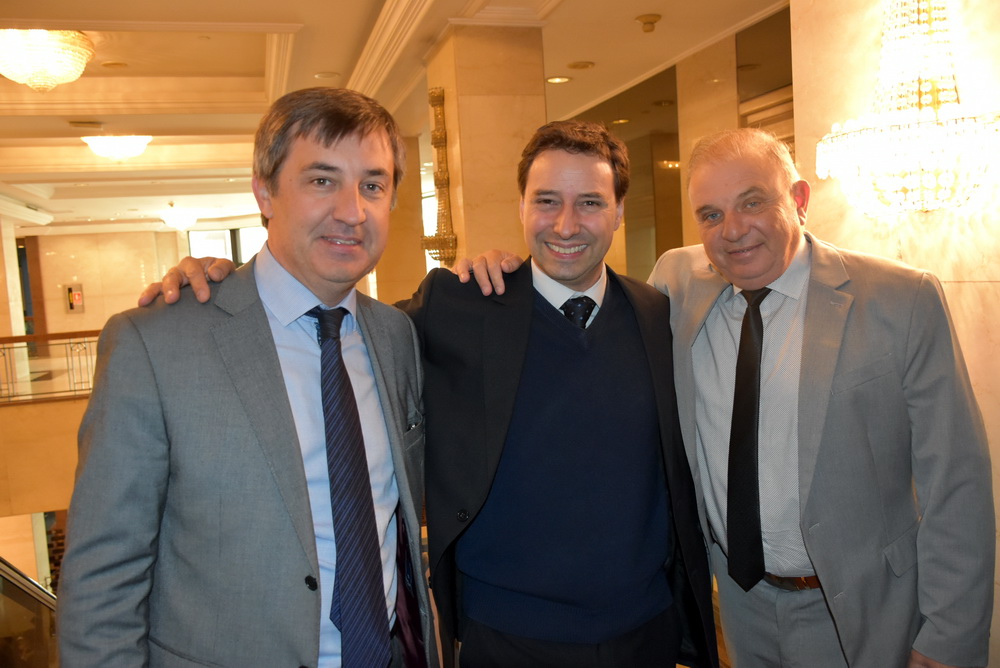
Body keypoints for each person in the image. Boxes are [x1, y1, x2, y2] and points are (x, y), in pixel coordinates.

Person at [141, 120, 719, 667]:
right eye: (546, 200)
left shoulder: (654, 312)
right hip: (505, 635)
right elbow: (332, 326)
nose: (566, 225)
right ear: (521, 207)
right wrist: (229, 284)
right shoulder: (459, 304)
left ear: (619, 211)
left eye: (590, 203)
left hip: (643, 627)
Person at [459, 128, 995, 668]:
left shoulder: (900, 299)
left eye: (752, 202)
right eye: (711, 214)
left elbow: (957, 480)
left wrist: (949, 635)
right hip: (738, 606)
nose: (733, 230)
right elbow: (584, 306)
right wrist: (504, 272)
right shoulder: (676, 284)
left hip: (863, 607)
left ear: (799, 199)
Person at [58, 88, 439, 668]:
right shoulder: (157, 343)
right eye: (322, 181)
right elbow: (103, 575)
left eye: (372, 185)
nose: (351, 212)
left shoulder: (396, 336)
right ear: (264, 191)